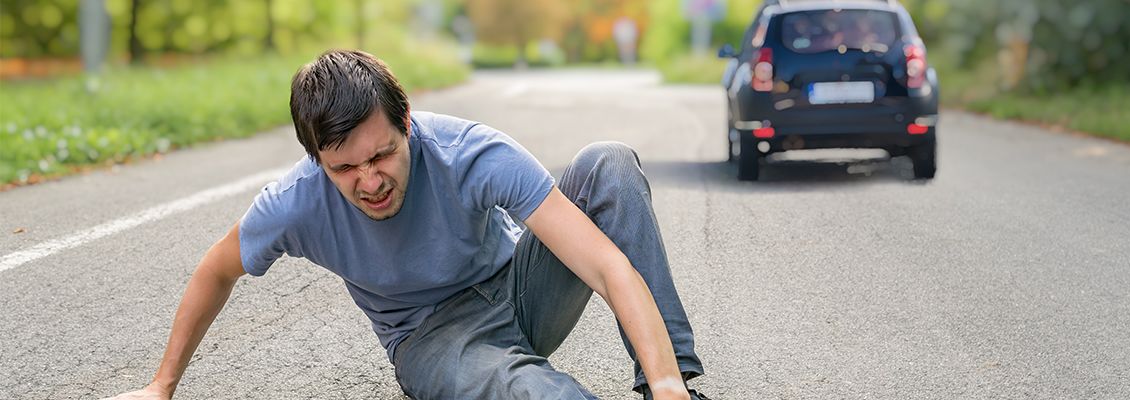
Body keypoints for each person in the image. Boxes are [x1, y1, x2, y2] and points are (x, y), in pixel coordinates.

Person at [105, 49, 707, 400]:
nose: (369, 180)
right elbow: (216, 269)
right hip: (430, 337)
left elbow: (604, 263)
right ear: (316, 159)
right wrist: (162, 386)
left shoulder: (471, 153)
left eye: (381, 155)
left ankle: (678, 383)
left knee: (608, 162)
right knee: (532, 392)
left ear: (408, 123)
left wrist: (665, 383)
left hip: (518, 291)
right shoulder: (294, 202)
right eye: (345, 167)